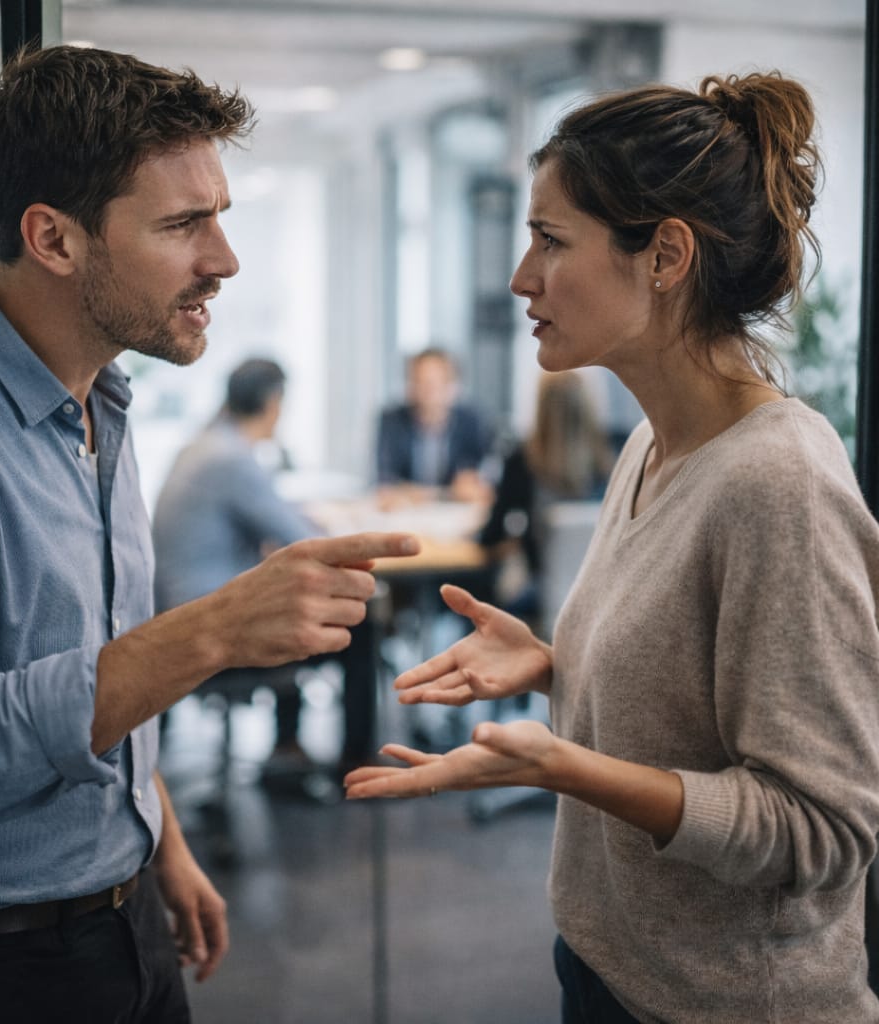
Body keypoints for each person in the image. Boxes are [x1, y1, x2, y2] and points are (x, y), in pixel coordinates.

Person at [0, 44, 418, 1024]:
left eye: (221, 217)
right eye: (182, 224)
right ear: (55, 238)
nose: (224, 259)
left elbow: (84, 665)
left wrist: (158, 843)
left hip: (127, 916)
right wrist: (211, 630)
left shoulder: (102, 397)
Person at [346, 71, 879, 1023]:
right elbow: (695, 710)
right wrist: (557, 667)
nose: (522, 277)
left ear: (665, 254)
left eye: (551, 240)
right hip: (604, 965)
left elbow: (820, 831)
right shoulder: (648, 442)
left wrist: (562, 764)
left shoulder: (779, 481)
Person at [153, 357, 323, 785]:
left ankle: (288, 746)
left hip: (173, 610)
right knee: (351, 629)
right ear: (273, 404)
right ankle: (326, 762)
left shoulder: (204, 444)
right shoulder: (232, 458)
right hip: (207, 621)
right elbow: (299, 538)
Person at [479, 369, 613, 623]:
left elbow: (490, 537)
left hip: (540, 599)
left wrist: (518, 540)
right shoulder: (611, 460)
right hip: (602, 600)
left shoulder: (521, 462)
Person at [375, 346, 495, 506]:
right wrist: (447, 493)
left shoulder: (471, 421)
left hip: (455, 517)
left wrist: (472, 486)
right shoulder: (392, 421)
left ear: (452, 386)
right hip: (407, 516)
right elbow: (387, 482)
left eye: (435, 384)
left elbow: (479, 482)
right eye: (419, 382)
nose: (427, 392)